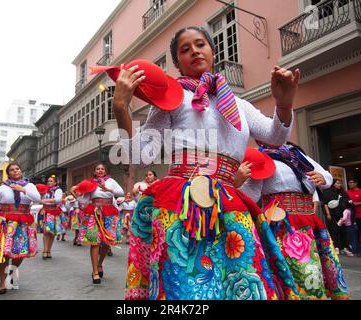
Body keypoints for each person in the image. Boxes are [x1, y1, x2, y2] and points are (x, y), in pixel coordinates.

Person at [113, 26, 302, 300]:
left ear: (213, 52)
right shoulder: (171, 99)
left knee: (240, 285)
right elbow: (141, 155)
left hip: (229, 203)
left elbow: (275, 136)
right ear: (177, 64)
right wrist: (121, 108)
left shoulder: (240, 104)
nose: (194, 51)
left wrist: (284, 105)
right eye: (185, 49)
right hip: (181, 203)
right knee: (185, 289)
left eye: (200, 44)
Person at [239, 142, 349, 300]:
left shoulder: (296, 154)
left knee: (316, 271)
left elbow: (325, 175)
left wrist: (323, 178)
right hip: (283, 225)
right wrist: (241, 180)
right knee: (295, 273)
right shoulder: (259, 157)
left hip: (309, 222)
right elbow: (251, 195)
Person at [0, 162, 41, 295]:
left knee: (20, 252)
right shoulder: (2, 188)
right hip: (5, 223)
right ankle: (2, 282)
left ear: (21, 171)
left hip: (23, 224)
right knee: (3, 253)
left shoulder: (30, 185)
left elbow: (38, 198)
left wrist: (22, 189)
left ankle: (12, 271)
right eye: (12, 170)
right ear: (8, 173)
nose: (15, 171)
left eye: (17, 168)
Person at [70, 163, 124, 284]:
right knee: (94, 243)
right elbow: (84, 201)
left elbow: (121, 192)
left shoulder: (110, 181)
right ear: (94, 171)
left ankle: (100, 264)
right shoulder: (90, 184)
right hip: (94, 214)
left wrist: (108, 189)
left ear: (105, 171)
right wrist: (74, 193)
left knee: (106, 243)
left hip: (109, 213)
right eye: (97, 169)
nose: (100, 170)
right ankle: (95, 271)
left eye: (102, 169)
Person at [322, 179, 350, 255]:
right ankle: (336, 247)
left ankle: (344, 247)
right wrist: (328, 214)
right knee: (334, 230)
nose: (339, 185)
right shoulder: (328, 192)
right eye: (337, 183)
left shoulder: (342, 192)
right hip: (332, 214)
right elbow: (325, 204)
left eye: (340, 183)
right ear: (333, 184)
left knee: (343, 230)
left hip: (341, 214)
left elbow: (347, 201)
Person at [40, 176, 64, 259]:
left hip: (54, 213)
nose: (49, 182)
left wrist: (46, 201)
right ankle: (45, 250)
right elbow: (40, 199)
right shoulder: (44, 190)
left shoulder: (58, 190)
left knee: (51, 233)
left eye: (51, 181)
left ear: (55, 182)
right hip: (46, 212)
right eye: (48, 181)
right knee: (46, 232)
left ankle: (49, 250)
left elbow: (58, 199)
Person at [346, 178, 361, 251]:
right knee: (353, 231)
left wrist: (357, 203)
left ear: (356, 183)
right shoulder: (347, 192)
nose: (349, 184)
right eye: (349, 182)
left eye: (351, 182)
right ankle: (355, 246)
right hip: (350, 215)